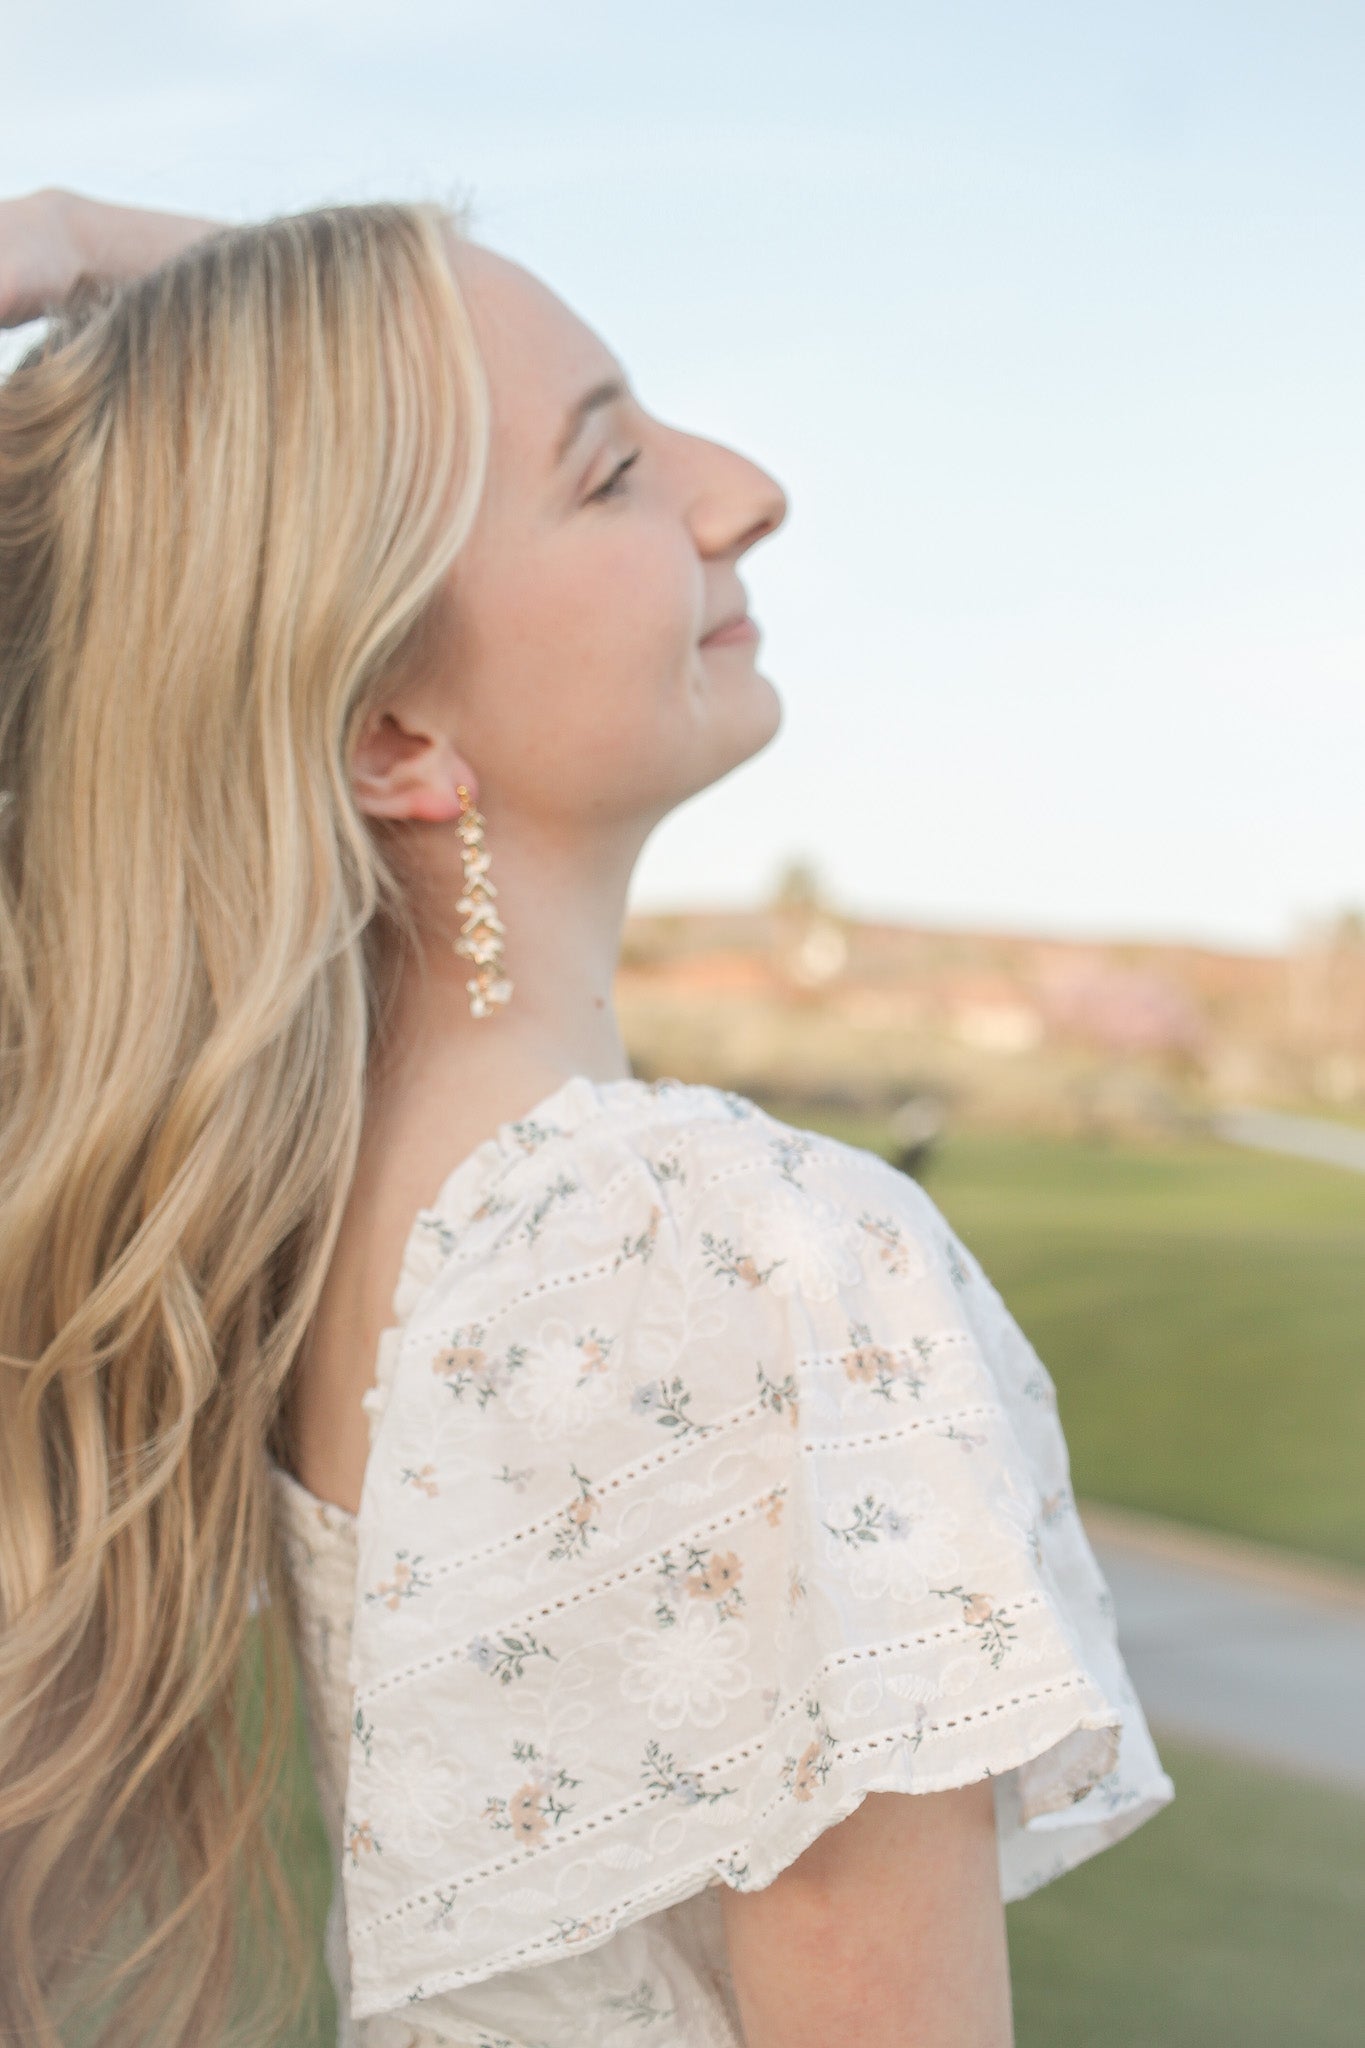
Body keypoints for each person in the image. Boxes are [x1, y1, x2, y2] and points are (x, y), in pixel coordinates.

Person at [0, 188, 1174, 2048]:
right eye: (615, 470)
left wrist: (85, 247)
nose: (744, 487)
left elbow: (329, 431)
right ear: (397, 742)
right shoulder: (731, 1247)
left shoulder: (331, 1234)